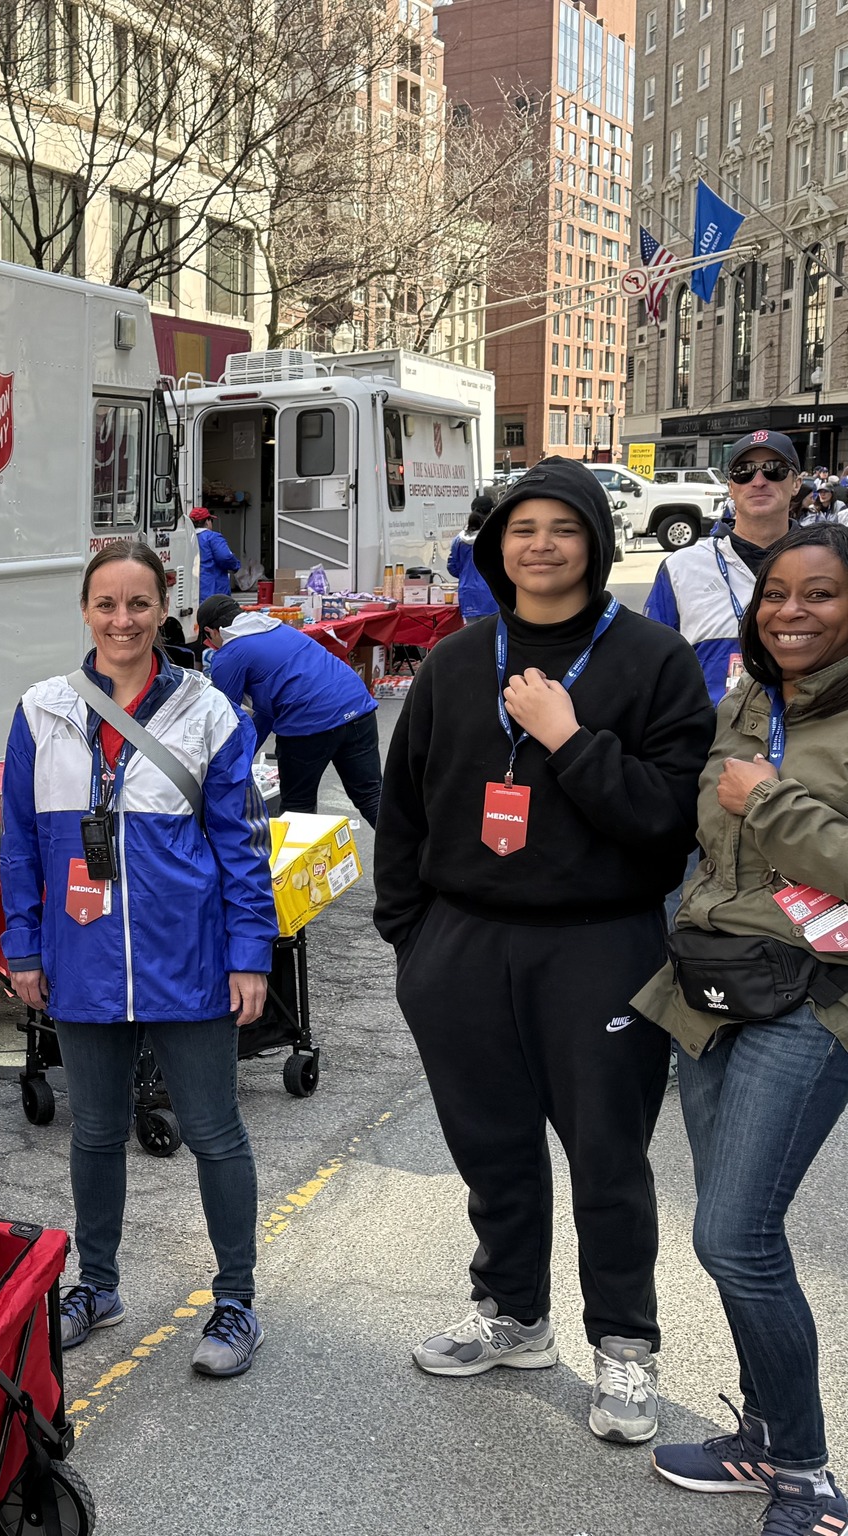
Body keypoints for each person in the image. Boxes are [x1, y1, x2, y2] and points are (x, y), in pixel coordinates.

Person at [373, 455, 714, 1445]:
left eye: (559, 528)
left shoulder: (650, 661)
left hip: (597, 944)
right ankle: (512, 1315)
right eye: (521, 528)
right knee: (491, 1149)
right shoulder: (451, 661)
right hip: (461, 945)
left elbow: (665, 821)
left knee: (606, 1159)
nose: (539, 545)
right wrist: (414, 941)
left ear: (591, 542)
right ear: (496, 546)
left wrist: (566, 742)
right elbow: (399, 811)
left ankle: (623, 1349)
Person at [0, 540, 277, 1373]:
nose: (123, 621)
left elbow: (242, 842)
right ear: (85, 611)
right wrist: (23, 943)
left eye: (139, 605)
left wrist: (249, 953)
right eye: (106, 605)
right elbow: (18, 844)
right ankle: (99, 1284)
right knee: (94, 1134)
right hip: (81, 955)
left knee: (214, 1131)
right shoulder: (42, 709)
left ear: (166, 609)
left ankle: (235, 1303)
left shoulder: (208, 710)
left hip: (187, 957)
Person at [634, 523, 848, 1531]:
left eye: (818, 595)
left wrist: (767, 799)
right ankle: (764, 1436)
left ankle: (804, 1471)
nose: (790, 612)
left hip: (809, 1001)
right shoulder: (747, 699)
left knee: (735, 1233)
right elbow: (696, 833)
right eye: (775, 595)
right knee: (727, 1242)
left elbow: (797, 838)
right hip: (712, 988)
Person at [198, 593, 382, 826]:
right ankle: (418, 858)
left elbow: (226, 719)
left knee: (297, 808)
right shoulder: (279, 629)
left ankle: (304, 862)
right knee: (372, 797)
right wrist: (245, 757)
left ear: (211, 632)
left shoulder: (229, 654)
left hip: (309, 721)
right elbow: (266, 714)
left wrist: (222, 769)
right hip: (357, 705)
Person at [648, 430, 799, 703]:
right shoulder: (681, 567)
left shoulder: (829, 564)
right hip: (708, 738)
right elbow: (649, 663)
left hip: (806, 734)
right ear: (731, 487)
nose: (759, 481)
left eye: (774, 470)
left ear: (796, 483)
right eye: (744, 472)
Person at [447, 495, 499, 619]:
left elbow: (452, 567)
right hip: (491, 594)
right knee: (492, 635)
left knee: (472, 635)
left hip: (467, 593)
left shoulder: (458, 540)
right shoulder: (495, 538)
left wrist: (466, 574)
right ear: (491, 511)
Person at [190, 505, 240, 603]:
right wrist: (236, 565)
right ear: (207, 521)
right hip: (213, 590)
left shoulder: (187, 539)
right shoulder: (212, 537)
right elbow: (225, 557)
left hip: (192, 591)